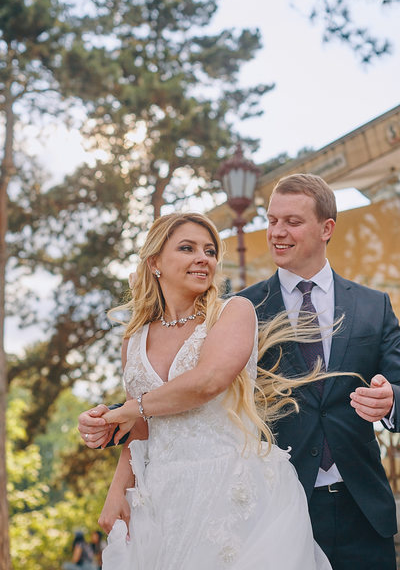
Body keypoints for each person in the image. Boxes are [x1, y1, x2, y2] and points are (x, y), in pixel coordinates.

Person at [79, 211, 333, 570]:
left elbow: (208, 381)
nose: (203, 258)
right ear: (155, 262)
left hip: (233, 490)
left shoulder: (234, 312)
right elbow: (144, 426)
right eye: (187, 248)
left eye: (210, 251)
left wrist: (127, 409)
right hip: (162, 497)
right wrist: (117, 487)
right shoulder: (133, 340)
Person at [239, 174, 400, 570]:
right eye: (271, 220)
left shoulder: (373, 306)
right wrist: (126, 411)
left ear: (327, 228)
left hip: (364, 511)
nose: (276, 232)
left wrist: (391, 398)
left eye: (292, 222)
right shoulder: (242, 308)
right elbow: (202, 383)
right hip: (280, 510)